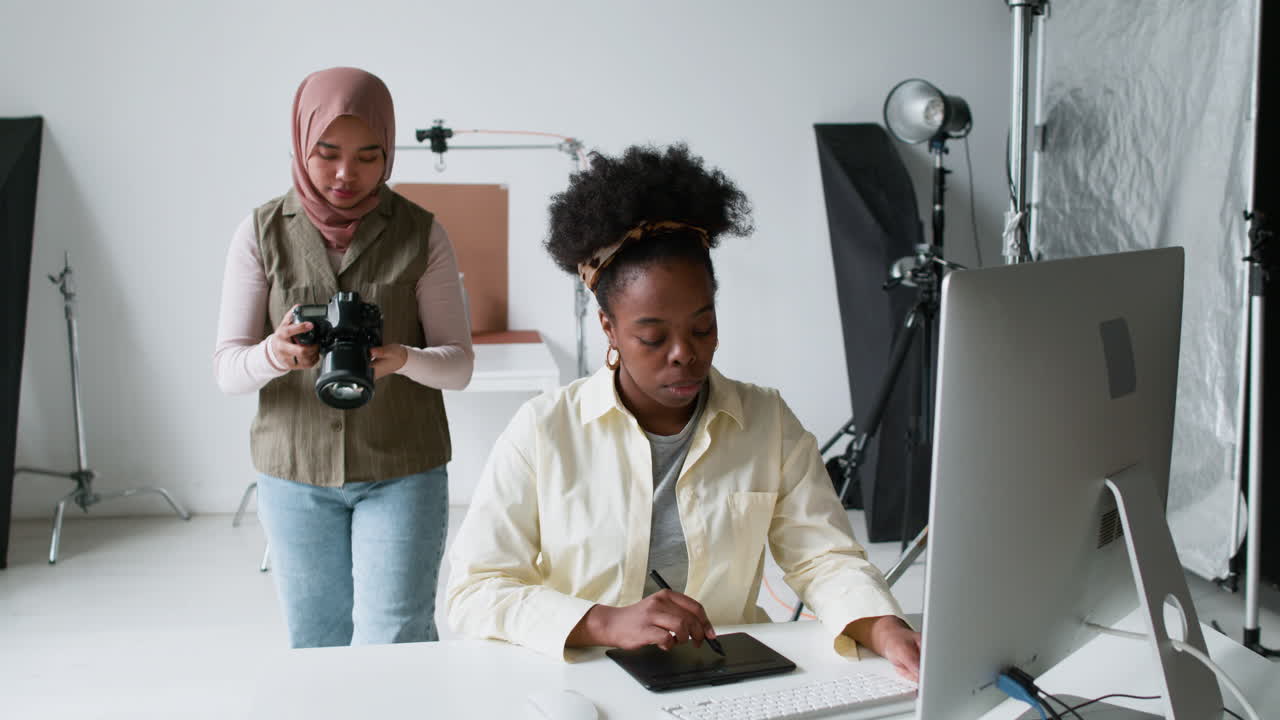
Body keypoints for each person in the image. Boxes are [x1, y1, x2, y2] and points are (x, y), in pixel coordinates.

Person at [445, 144, 921, 679]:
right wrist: (603, 622)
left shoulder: (766, 422)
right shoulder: (545, 429)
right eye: (652, 337)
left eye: (702, 327)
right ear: (609, 329)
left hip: (725, 676)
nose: (684, 354)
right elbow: (475, 589)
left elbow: (823, 556)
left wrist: (883, 627)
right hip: (586, 679)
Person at [213, 67, 473, 648]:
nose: (344, 175)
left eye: (368, 157)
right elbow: (228, 369)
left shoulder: (422, 233)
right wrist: (275, 354)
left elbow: (458, 366)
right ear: (300, 143)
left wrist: (402, 357)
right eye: (326, 153)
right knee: (315, 641)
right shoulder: (260, 233)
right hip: (294, 472)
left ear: (389, 153)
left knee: (397, 637)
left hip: (402, 469)